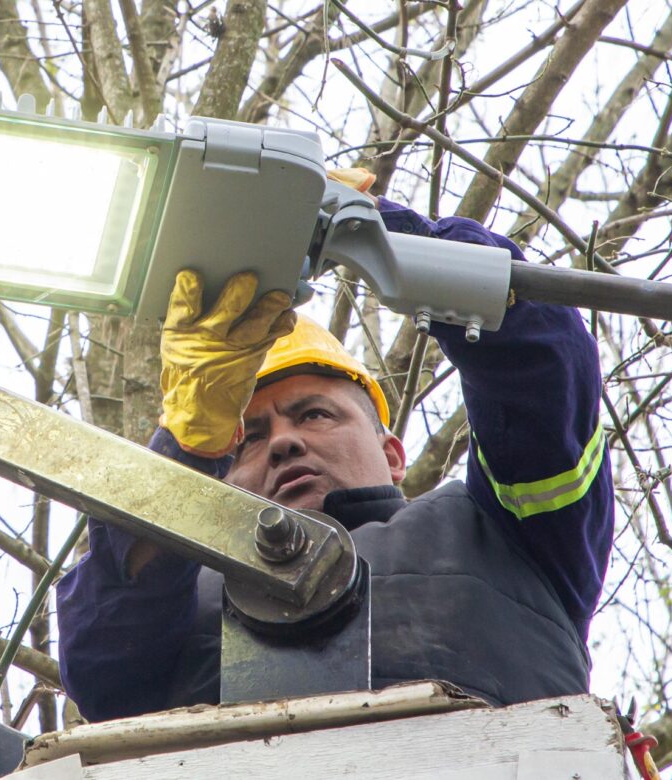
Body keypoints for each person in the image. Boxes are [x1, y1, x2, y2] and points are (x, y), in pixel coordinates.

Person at [55, 188, 614, 723]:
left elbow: (541, 366)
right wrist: (186, 444)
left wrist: (372, 230)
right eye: (246, 436)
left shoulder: (504, 534)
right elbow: (105, 666)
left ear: (392, 454)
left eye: (314, 414)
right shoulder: (177, 594)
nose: (282, 442)